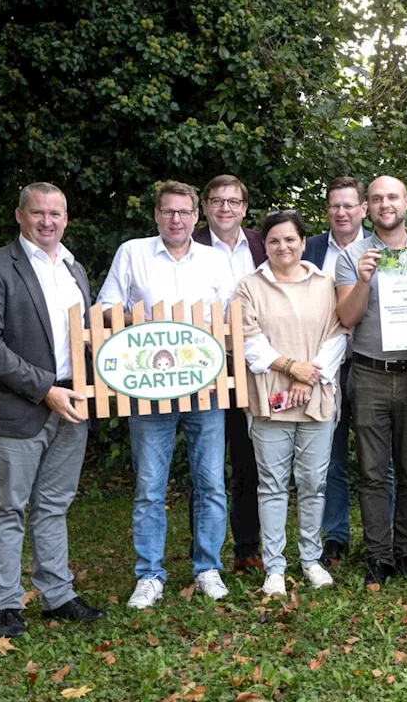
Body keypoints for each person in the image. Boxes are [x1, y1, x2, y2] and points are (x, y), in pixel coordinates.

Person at [0, 183, 106, 638]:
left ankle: (57, 594)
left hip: (72, 403)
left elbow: (80, 338)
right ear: (20, 216)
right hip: (17, 407)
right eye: (39, 213)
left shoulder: (73, 267)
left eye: (56, 214)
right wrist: (45, 389)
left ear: (66, 218)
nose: (48, 221)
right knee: (8, 507)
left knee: (54, 505)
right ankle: (4, 605)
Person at [97, 180, 235, 609]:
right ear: (156, 214)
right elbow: (105, 307)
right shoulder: (132, 252)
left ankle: (207, 567)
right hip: (149, 392)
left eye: (185, 212)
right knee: (149, 486)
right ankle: (149, 575)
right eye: (169, 211)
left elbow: (233, 319)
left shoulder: (216, 261)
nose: (177, 219)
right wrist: (121, 319)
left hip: (207, 388)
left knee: (211, 482)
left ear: (197, 217)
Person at [235, 210, 348, 597]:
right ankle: (275, 567)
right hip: (270, 398)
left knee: (315, 482)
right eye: (273, 241)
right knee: (271, 484)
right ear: (264, 245)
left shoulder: (324, 282)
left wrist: (309, 375)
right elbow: (251, 342)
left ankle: (311, 559)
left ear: (303, 241)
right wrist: (291, 369)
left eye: (289, 239)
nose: (282, 247)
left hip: (316, 396)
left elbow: (337, 335)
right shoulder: (249, 286)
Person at [335, 175, 407, 585]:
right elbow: (346, 318)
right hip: (370, 373)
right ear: (367, 208)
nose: (384, 204)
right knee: (373, 472)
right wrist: (362, 280)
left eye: (392, 197)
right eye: (376, 199)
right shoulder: (352, 254)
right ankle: (378, 555)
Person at [301, 175, 388, 568]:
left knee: (378, 458)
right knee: (330, 456)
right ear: (327, 210)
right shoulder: (308, 249)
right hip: (324, 369)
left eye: (349, 205)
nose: (342, 212)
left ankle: (382, 537)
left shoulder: (385, 247)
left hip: (371, 365)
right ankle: (334, 535)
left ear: (363, 209)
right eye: (334, 205)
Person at [190, 174, 266, 575]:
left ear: (244, 208)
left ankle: (247, 547)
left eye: (233, 201)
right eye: (217, 201)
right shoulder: (190, 242)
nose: (225, 208)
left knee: (247, 459)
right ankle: (203, 551)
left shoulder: (261, 244)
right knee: (205, 462)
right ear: (204, 207)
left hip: (249, 367)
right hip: (202, 365)